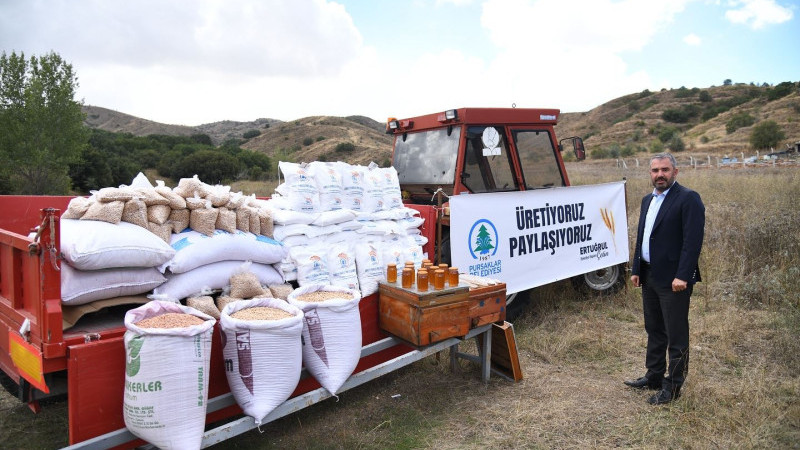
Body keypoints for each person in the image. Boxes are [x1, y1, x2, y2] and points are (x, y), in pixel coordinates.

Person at [625, 152, 705, 405]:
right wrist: (636, 268)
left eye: (665, 170)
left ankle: (673, 388)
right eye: (655, 170)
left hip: (674, 281)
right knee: (654, 329)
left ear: (675, 172)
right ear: (650, 173)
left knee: (676, 334)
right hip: (649, 276)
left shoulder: (688, 198)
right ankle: (654, 376)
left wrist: (683, 275)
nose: (659, 174)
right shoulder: (648, 200)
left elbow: (692, 243)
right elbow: (643, 237)